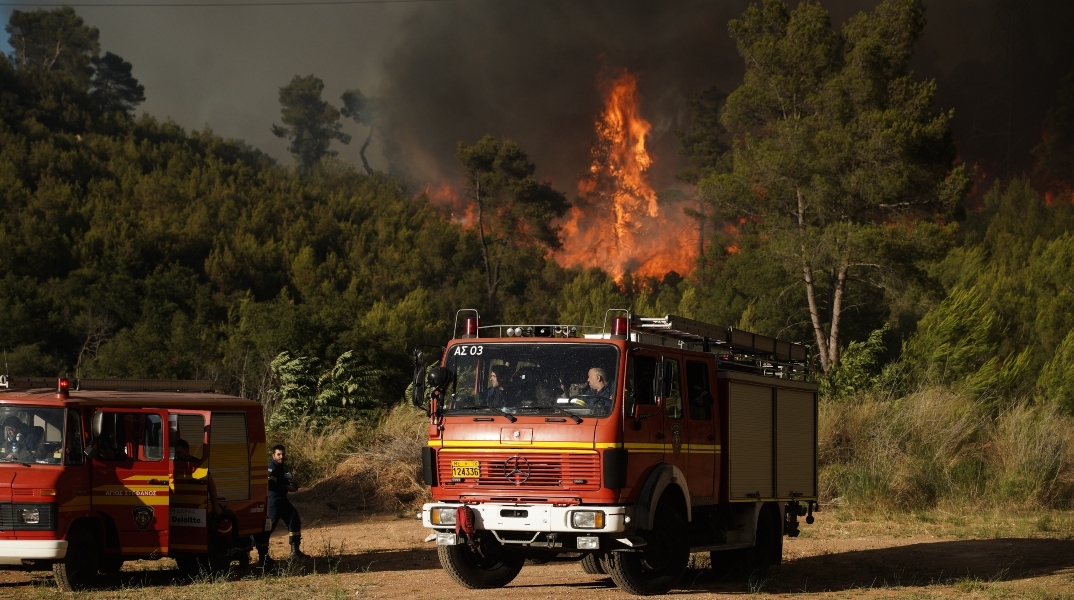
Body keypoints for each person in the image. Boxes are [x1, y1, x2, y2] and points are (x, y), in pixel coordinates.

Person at [255, 444, 306, 564]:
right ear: (273, 455)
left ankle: (295, 551)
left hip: (282, 500)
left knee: (294, 518)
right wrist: (286, 486)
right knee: (268, 528)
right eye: (278, 454)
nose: (281, 456)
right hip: (274, 502)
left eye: (283, 454)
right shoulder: (271, 468)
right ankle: (263, 556)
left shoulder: (280, 467)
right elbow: (269, 484)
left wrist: (291, 485)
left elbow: (282, 481)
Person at [174, 439, 222, 516]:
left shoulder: (198, 464)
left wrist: (215, 505)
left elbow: (211, 484)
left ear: (187, 450)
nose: (178, 456)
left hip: (195, 507)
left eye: (179, 453)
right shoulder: (174, 465)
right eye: (176, 453)